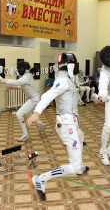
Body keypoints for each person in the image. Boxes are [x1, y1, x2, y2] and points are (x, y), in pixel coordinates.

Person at [27, 53, 89, 201]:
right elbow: (49, 95)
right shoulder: (62, 80)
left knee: (81, 137)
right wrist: (37, 112)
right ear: (70, 65)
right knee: (73, 166)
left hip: (72, 121)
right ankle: (41, 178)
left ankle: (79, 166)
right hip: (66, 124)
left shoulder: (68, 78)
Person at [0, 61, 46, 142]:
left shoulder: (26, 76)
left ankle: (25, 135)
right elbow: (22, 86)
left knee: (19, 114)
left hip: (34, 98)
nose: (20, 70)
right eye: (19, 68)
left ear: (25, 68)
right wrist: (11, 88)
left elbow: (17, 82)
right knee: (28, 114)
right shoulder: (26, 76)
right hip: (33, 98)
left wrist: (4, 80)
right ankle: (42, 125)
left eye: (21, 68)